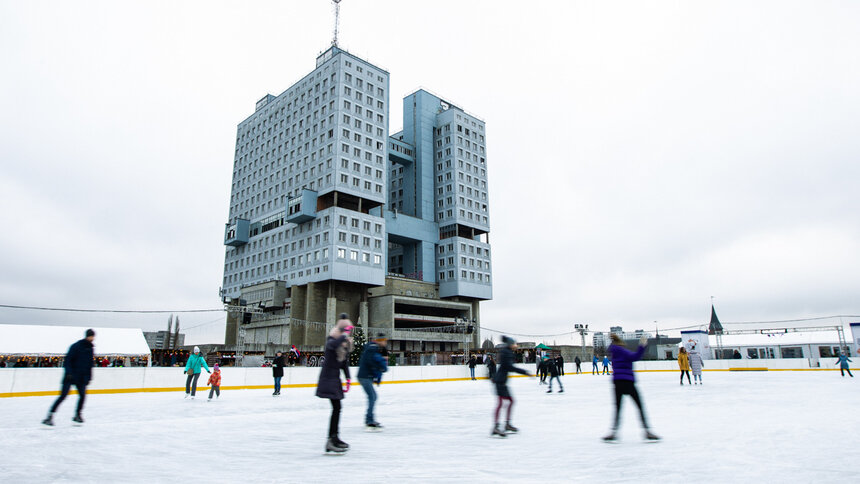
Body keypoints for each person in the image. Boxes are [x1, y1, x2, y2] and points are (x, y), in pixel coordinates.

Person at [603, 334, 660, 442]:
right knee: (639, 406)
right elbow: (636, 356)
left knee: (618, 408)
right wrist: (642, 345)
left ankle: (613, 432)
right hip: (628, 382)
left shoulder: (613, 353)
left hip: (617, 383)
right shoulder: (622, 351)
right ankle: (647, 431)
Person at [316, 313, 354, 453]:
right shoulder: (332, 339)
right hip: (328, 379)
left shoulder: (342, 344)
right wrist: (344, 335)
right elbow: (332, 346)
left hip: (335, 380)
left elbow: (344, 363)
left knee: (337, 408)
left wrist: (348, 378)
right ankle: (332, 439)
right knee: (337, 408)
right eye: (346, 330)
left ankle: (334, 438)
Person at [42, 329, 96, 426]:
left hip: (81, 377)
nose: (92, 338)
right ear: (87, 336)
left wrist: (89, 377)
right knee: (63, 396)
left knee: (82, 396)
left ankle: (77, 415)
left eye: (93, 336)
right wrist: (69, 373)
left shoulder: (90, 348)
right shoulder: (76, 346)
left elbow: (90, 364)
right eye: (91, 336)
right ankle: (49, 416)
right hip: (70, 376)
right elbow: (68, 360)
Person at [491, 336, 531, 437]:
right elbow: (510, 367)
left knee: (510, 401)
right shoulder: (506, 353)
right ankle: (496, 427)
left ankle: (507, 424)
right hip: (500, 381)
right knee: (500, 403)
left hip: (501, 381)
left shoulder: (507, 352)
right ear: (510, 345)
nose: (516, 346)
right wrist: (525, 372)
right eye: (514, 344)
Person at [358, 333, 389, 430]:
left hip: (366, 376)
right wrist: (380, 366)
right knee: (372, 397)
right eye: (384, 341)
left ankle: (369, 419)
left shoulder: (373, 347)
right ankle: (369, 420)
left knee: (373, 397)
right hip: (364, 376)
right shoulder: (372, 348)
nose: (385, 343)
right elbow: (369, 360)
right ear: (380, 341)